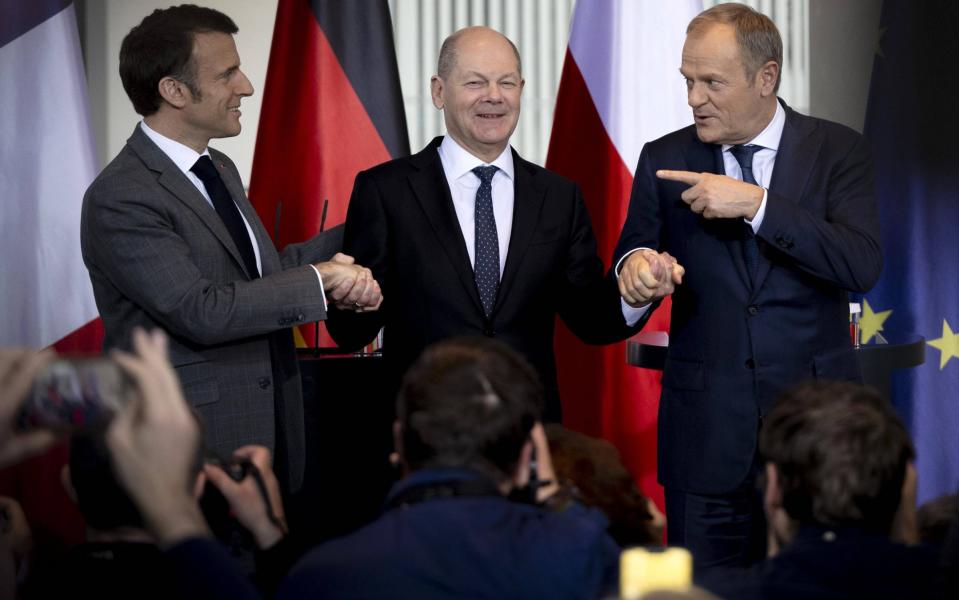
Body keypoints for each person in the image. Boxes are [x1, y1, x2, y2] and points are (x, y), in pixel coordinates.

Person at [612, 3, 882, 569]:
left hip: (817, 445)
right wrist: (637, 275)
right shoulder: (665, 157)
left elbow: (860, 263)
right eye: (687, 81)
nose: (693, 99)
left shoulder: (839, 151)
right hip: (705, 441)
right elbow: (634, 251)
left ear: (767, 77)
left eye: (712, 82)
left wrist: (758, 205)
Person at [80, 5, 382, 492]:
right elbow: (202, 310)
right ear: (173, 91)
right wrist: (319, 281)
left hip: (269, 431)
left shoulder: (217, 167)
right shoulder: (123, 196)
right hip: (191, 453)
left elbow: (257, 279)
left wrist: (377, 216)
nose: (246, 86)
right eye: (227, 74)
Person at [326, 26, 680, 422]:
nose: (493, 95)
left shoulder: (559, 197)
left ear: (521, 89)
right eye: (475, 82)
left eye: (506, 82)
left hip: (528, 433)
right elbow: (350, 331)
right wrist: (354, 300)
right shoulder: (385, 190)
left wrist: (637, 293)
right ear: (439, 91)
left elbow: (591, 319)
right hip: (423, 432)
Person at [700, 381, 938, 599]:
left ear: (773, 488)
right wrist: (908, 536)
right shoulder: (942, 581)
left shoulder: (708, 593)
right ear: (906, 484)